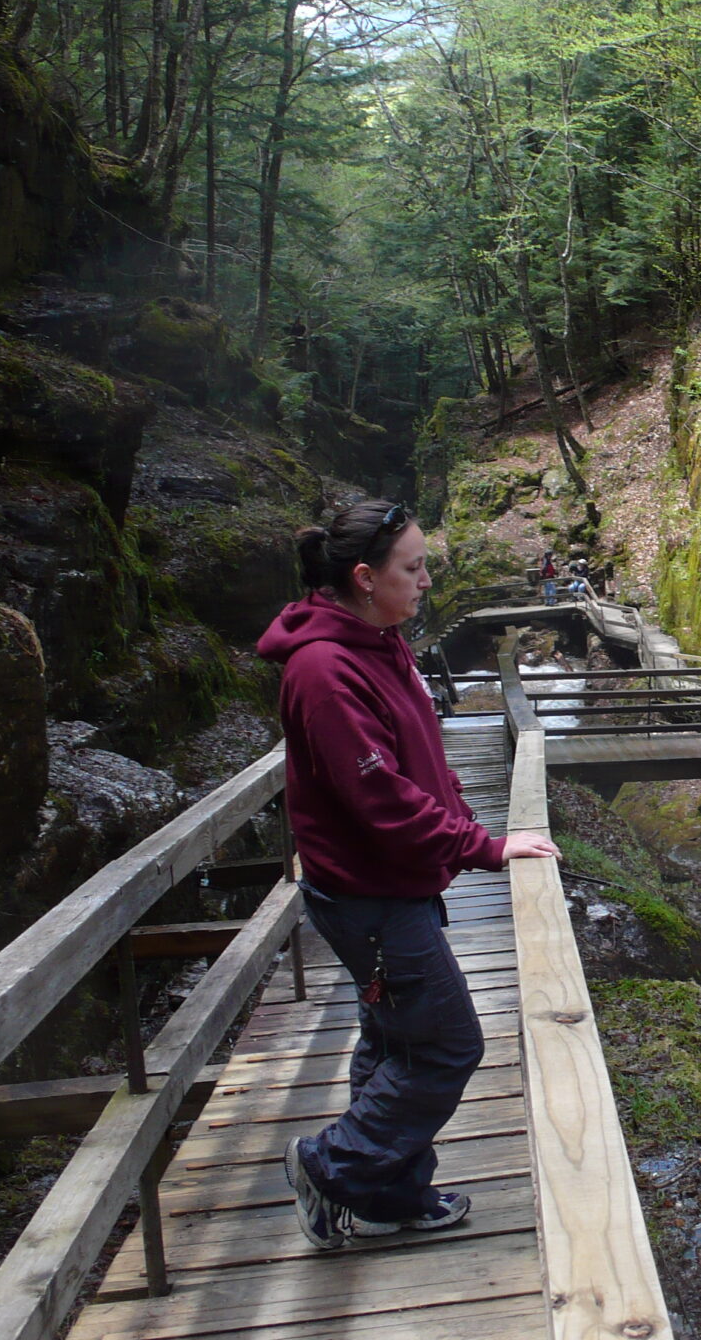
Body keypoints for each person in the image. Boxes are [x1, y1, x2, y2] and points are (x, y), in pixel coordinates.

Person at [257, 499, 562, 1250]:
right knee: (447, 1045)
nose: (427, 580)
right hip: (372, 895)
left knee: (395, 1042)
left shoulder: (377, 642)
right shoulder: (326, 669)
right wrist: (484, 848)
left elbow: (421, 759)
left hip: (388, 886)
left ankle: (389, 1194)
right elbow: (381, 800)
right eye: (414, 567)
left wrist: (465, 825)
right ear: (364, 578)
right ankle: (332, 1167)